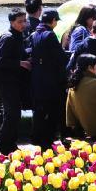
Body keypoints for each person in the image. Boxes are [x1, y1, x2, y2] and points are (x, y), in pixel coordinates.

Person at [0, 9, 31, 155]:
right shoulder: (8, 37)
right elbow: (2, 61)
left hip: (14, 80)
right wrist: (21, 63)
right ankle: (2, 143)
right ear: (11, 22)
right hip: (6, 81)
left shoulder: (18, 35)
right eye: (19, 21)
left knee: (14, 113)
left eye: (24, 21)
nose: (23, 24)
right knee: (12, 113)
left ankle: (9, 143)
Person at [30, 10, 68, 150]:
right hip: (51, 79)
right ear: (52, 20)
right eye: (56, 21)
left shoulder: (35, 33)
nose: (56, 23)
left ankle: (37, 138)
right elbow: (60, 57)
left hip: (37, 77)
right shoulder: (50, 34)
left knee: (40, 110)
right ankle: (48, 140)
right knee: (53, 110)